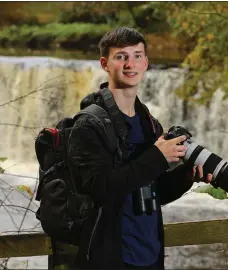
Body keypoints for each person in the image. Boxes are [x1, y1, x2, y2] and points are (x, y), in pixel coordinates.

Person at [68, 27, 212, 269]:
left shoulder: (149, 124)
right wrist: (157, 157)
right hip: (111, 256)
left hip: (150, 253)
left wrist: (185, 177)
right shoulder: (89, 125)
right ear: (105, 63)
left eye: (136, 55)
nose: (130, 64)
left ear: (146, 62)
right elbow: (101, 190)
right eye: (121, 56)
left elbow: (153, 191)